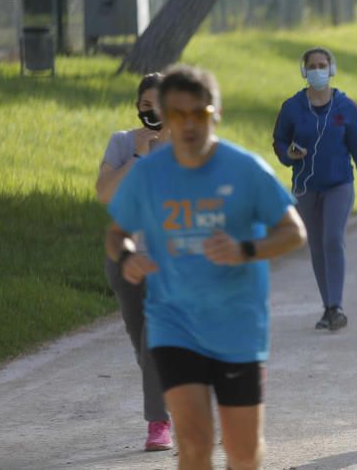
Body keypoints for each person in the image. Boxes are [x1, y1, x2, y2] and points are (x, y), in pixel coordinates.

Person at [105, 64, 307, 470]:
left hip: (237, 323)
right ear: (163, 115)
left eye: (198, 112)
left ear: (215, 112)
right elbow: (116, 233)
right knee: (194, 444)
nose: (188, 124)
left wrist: (244, 249)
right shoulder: (147, 174)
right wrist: (128, 257)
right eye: (177, 114)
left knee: (243, 452)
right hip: (174, 322)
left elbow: (293, 232)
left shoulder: (245, 168)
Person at [272, 47, 357, 332]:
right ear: (304, 71)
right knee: (317, 246)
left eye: (323, 65)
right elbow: (279, 142)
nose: (318, 70)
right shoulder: (292, 107)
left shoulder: (345, 107)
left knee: (333, 239)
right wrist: (289, 155)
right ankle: (327, 307)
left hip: (339, 185)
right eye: (313, 65)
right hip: (306, 187)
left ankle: (336, 306)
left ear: (331, 70)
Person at [95, 73, 172, 451]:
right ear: (138, 107)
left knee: (153, 339)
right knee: (140, 341)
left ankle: (158, 422)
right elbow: (105, 193)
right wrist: (139, 156)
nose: (152, 110)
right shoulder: (123, 143)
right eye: (146, 104)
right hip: (125, 255)